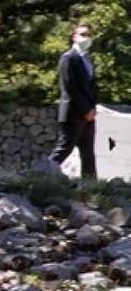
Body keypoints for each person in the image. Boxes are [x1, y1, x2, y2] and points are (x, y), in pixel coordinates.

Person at [50, 23, 99, 178]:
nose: (87, 38)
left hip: (88, 114)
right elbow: (69, 87)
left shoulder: (88, 59)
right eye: (83, 34)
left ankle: (91, 186)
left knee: (88, 152)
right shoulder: (68, 58)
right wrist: (85, 110)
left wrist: (93, 108)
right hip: (72, 113)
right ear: (74, 37)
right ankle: (40, 176)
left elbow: (92, 86)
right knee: (64, 149)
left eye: (89, 35)